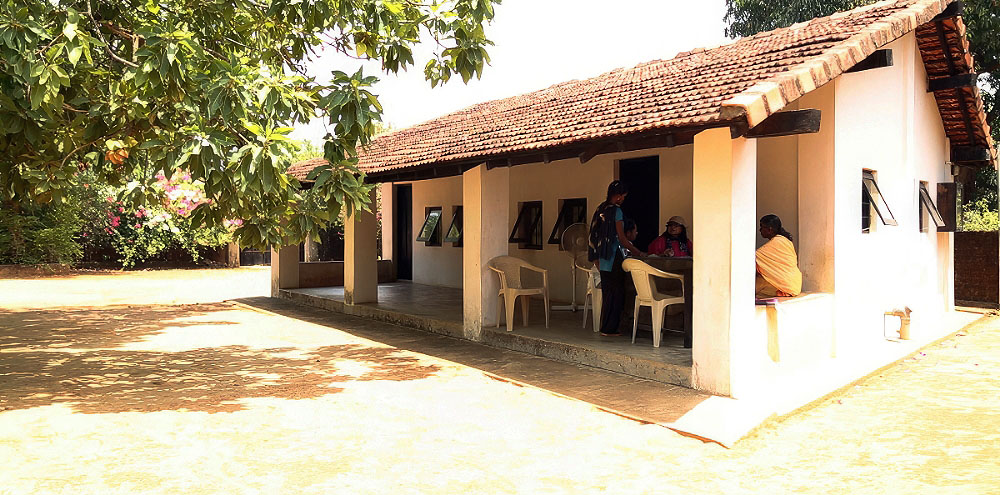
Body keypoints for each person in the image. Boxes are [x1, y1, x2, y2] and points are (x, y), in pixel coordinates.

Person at [589, 180, 644, 336]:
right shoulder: (616, 212)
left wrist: (595, 257)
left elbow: (593, 233)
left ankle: (605, 327)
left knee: (608, 294)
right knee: (618, 293)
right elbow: (621, 238)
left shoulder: (600, 208)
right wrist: (638, 252)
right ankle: (611, 328)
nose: (623, 199)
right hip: (613, 257)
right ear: (619, 196)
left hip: (602, 258)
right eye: (623, 196)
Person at [755, 214, 802, 298]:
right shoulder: (785, 240)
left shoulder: (778, 242)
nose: (760, 230)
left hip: (786, 286)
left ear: (770, 229)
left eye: (762, 227)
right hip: (795, 283)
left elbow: (754, 257)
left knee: (754, 287)